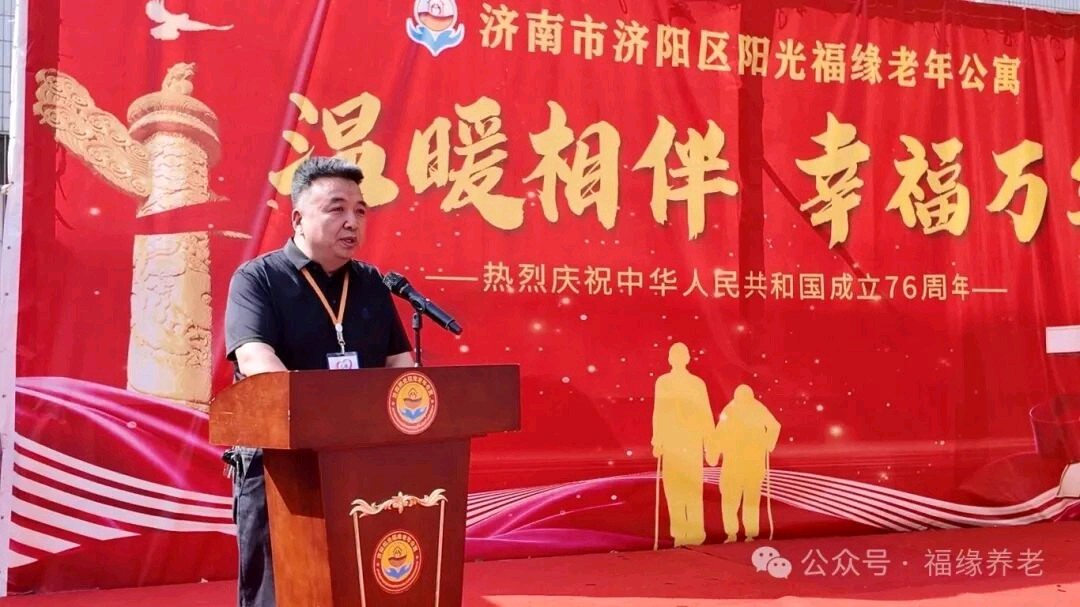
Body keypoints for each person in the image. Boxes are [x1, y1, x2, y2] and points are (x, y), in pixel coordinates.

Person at [222, 156, 414, 606]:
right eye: (337, 208)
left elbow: (400, 364)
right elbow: (254, 358)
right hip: (280, 465)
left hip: (359, 461)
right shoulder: (259, 278)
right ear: (298, 218)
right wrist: (318, 415)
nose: (352, 222)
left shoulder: (371, 284)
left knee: (355, 583)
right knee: (280, 590)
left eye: (360, 211)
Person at [651, 342, 715, 547]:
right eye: (675, 355)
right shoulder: (663, 382)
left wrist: (709, 445)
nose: (678, 358)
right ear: (670, 359)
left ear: (687, 358)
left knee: (692, 486)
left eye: (682, 355)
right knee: (674, 488)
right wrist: (658, 440)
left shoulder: (697, 384)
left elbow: (705, 414)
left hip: (691, 440)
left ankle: (695, 532)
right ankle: (680, 533)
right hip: (672, 442)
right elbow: (659, 412)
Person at [713, 384, 780, 543]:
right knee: (732, 499)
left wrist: (767, 444)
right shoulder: (730, 409)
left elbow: (774, 426)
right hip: (734, 461)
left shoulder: (757, 408)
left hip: (752, 462)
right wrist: (718, 451)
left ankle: (749, 533)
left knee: (750, 499)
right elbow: (719, 433)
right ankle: (732, 533)